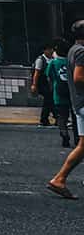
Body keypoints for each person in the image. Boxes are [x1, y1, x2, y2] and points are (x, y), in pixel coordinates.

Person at [47, 20, 84, 199]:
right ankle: (59, 179)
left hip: (79, 103)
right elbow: (78, 78)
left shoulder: (72, 50)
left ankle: (59, 179)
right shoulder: (82, 52)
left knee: (82, 145)